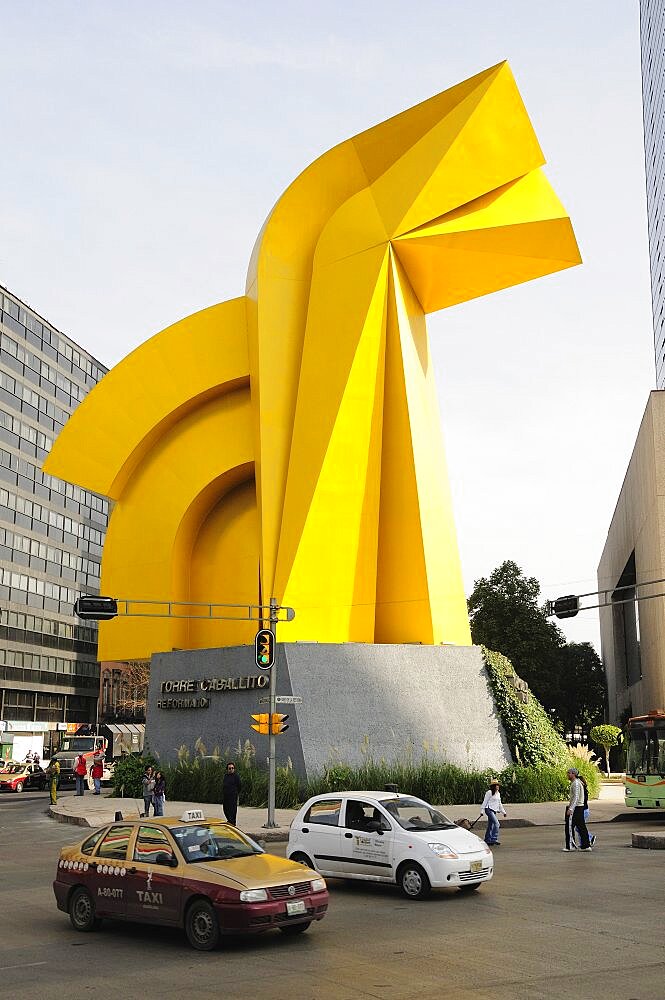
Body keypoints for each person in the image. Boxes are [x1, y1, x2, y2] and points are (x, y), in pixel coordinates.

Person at [563, 767, 591, 851]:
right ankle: (586, 845)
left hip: (576, 808)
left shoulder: (575, 783)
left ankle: (570, 846)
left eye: (569, 773)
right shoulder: (577, 783)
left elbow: (576, 797)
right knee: (581, 827)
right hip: (579, 807)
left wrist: (571, 808)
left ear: (573, 774)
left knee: (569, 827)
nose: (567, 774)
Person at [478, 779, 507, 846]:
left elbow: (500, 804)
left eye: (498, 785)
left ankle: (487, 840)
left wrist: (504, 812)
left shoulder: (498, 793)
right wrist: (482, 811)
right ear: (494, 786)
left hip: (494, 810)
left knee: (490, 825)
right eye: (497, 785)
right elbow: (485, 801)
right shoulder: (489, 792)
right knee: (497, 824)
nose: (498, 786)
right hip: (488, 809)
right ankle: (494, 839)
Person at [575, 774, 596, 849]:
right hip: (585, 810)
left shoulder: (582, 790)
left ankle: (589, 838)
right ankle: (583, 843)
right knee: (580, 827)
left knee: (580, 827)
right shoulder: (583, 789)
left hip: (583, 810)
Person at [222, 761, 242, 825]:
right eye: (230, 768)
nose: (231, 769)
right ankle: (229, 820)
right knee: (225, 809)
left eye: (232, 768)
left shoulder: (236, 776)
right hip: (226, 796)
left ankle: (232, 822)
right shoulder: (226, 776)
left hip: (233, 796)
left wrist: (236, 792)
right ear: (227, 769)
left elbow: (239, 786)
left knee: (232, 810)